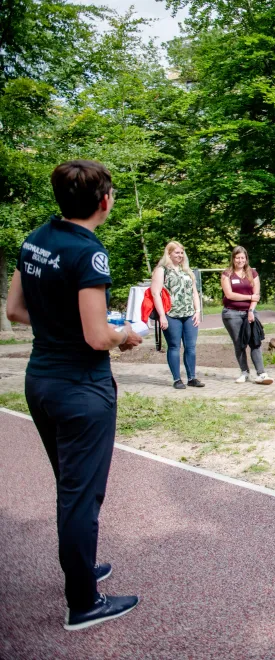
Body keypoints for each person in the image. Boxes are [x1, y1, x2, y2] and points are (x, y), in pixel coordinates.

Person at [6, 160, 142, 629]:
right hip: (82, 389)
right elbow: (97, 336)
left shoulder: (35, 239)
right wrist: (126, 335)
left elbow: (14, 310)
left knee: (70, 489)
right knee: (81, 498)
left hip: (40, 379)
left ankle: (82, 570)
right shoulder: (89, 253)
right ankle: (83, 603)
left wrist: (61, 323)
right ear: (104, 200)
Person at [152, 241, 203, 389]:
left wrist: (197, 311)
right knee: (174, 346)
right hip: (171, 313)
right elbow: (156, 293)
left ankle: (192, 377)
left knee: (191, 347)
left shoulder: (186, 270)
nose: (180, 255)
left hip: (189, 314)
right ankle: (176, 379)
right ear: (169, 254)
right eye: (177, 252)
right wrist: (162, 315)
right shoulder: (162, 270)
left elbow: (195, 292)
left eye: (181, 253)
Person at [220, 246, 272, 385]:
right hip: (231, 314)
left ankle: (261, 373)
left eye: (242, 257)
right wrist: (249, 297)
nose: (240, 260)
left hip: (250, 312)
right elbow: (229, 295)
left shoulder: (253, 273)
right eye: (237, 257)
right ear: (233, 258)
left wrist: (250, 311)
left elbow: (257, 296)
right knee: (239, 344)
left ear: (246, 258)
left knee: (255, 342)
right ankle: (244, 372)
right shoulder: (226, 274)